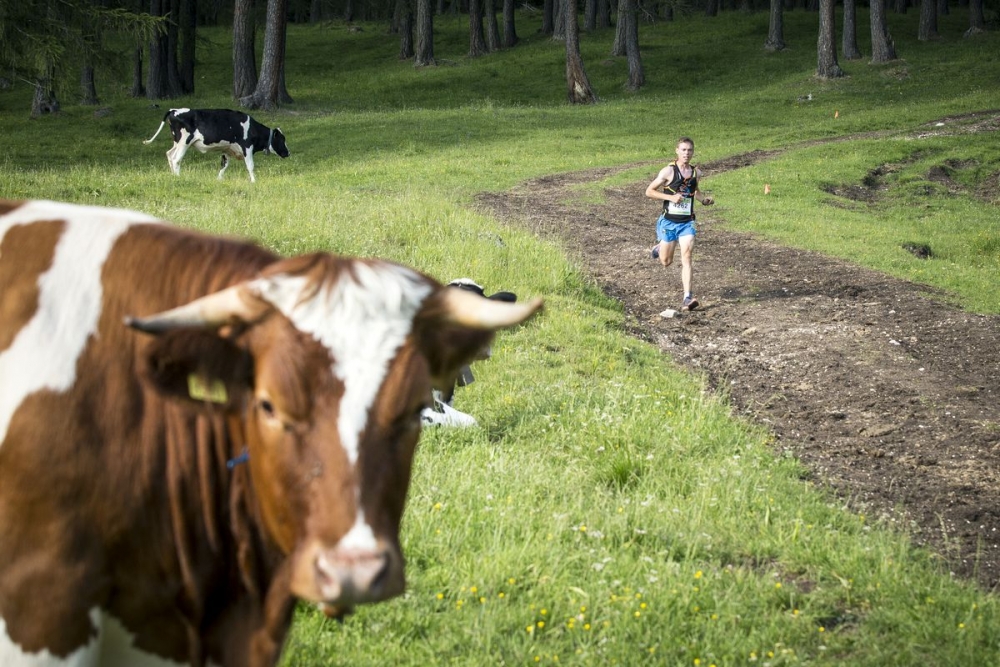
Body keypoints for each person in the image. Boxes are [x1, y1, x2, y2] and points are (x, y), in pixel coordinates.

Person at [645, 137, 714, 311]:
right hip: (669, 222)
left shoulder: (696, 173)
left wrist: (703, 200)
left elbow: (695, 191)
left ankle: (687, 298)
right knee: (666, 262)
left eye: (690, 150)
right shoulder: (668, 171)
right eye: (683, 150)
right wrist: (670, 197)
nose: (687, 153)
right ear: (677, 151)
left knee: (687, 256)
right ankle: (660, 248)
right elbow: (649, 191)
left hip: (687, 222)